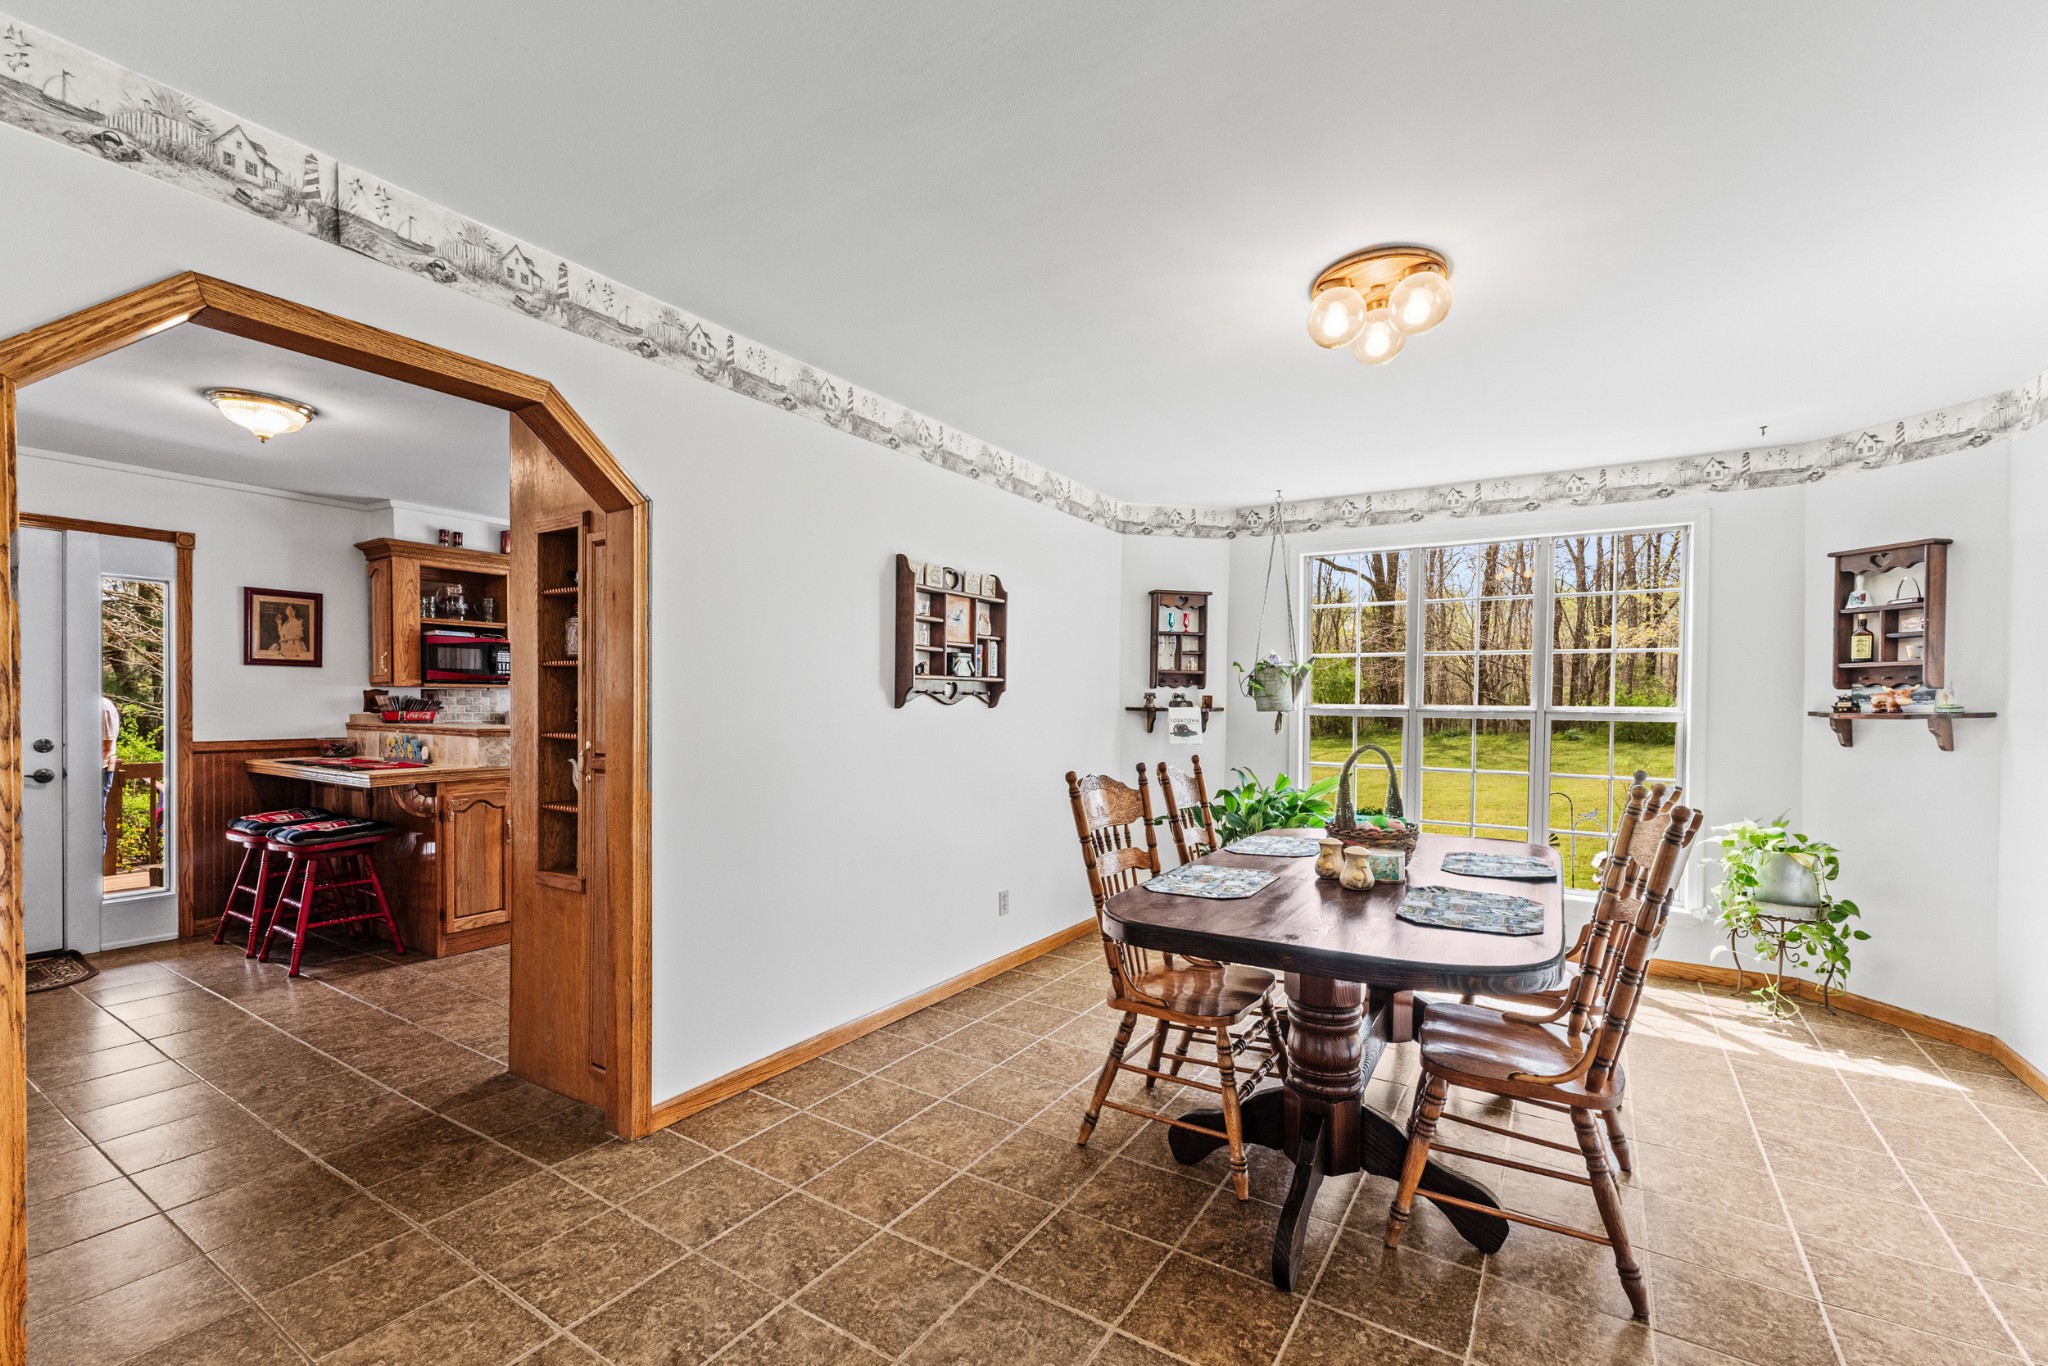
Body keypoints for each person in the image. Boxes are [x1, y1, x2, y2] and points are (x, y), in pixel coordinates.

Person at [100, 694, 120, 852]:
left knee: (95, 819)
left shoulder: (103, 707)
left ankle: (96, 870)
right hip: (87, 770)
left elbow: (106, 744)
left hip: (100, 770)